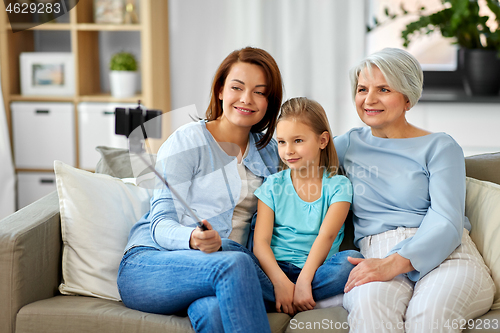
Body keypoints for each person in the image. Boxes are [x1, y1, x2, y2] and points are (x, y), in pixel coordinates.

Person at [117, 46, 283, 333]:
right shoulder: (187, 141)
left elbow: (319, 156)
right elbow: (160, 224)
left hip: (217, 272)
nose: (247, 99)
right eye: (237, 87)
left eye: (259, 91)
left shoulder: (271, 154)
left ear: (269, 101)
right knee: (234, 263)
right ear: (220, 91)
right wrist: (193, 238)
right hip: (152, 264)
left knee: (216, 312)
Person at [335, 48, 495, 332]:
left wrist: (395, 262)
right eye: (362, 89)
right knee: (370, 310)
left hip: (448, 253)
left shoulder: (440, 147)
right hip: (377, 251)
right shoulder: (346, 145)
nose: (369, 99)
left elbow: (447, 219)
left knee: (429, 316)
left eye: (383, 89)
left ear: (407, 97)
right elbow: (293, 153)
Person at [252, 97, 363, 316]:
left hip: (316, 271)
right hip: (274, 271)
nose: (288, 150)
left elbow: (327, 236)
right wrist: (280, 281)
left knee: (349, 261)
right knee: (235, 259)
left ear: (322, 141)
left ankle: (296, 295)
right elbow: (260, 242)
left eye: (298, 141)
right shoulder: (273, 184)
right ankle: (292, 295)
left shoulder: (338, 185)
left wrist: (303, 280)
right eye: (282, 142)